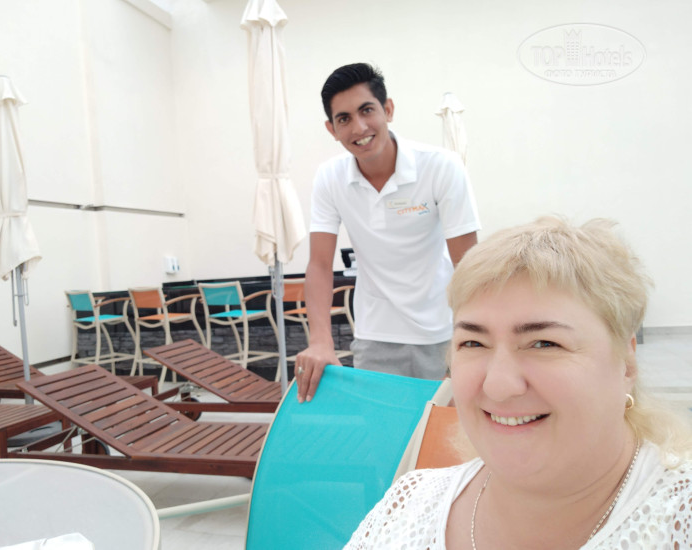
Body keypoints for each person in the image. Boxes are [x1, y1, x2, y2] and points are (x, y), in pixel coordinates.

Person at [345, 216, 692, 549]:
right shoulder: (407, 507)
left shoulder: (679, 520)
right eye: (474, 343)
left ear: (626, 364)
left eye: (544, 343)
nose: (498, 386)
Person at [295, 63, 481, 403]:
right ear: (331, 129)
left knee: (450, 431)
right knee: (382, 431)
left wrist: (470, 342)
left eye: (367, 110)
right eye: (344, 119)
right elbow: (319, 264)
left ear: (388, 110)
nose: (359, 127)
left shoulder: (441, 166)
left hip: (443, 333)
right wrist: (320, 341)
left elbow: (468, 265)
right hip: (375, 336)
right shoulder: (329, 178)